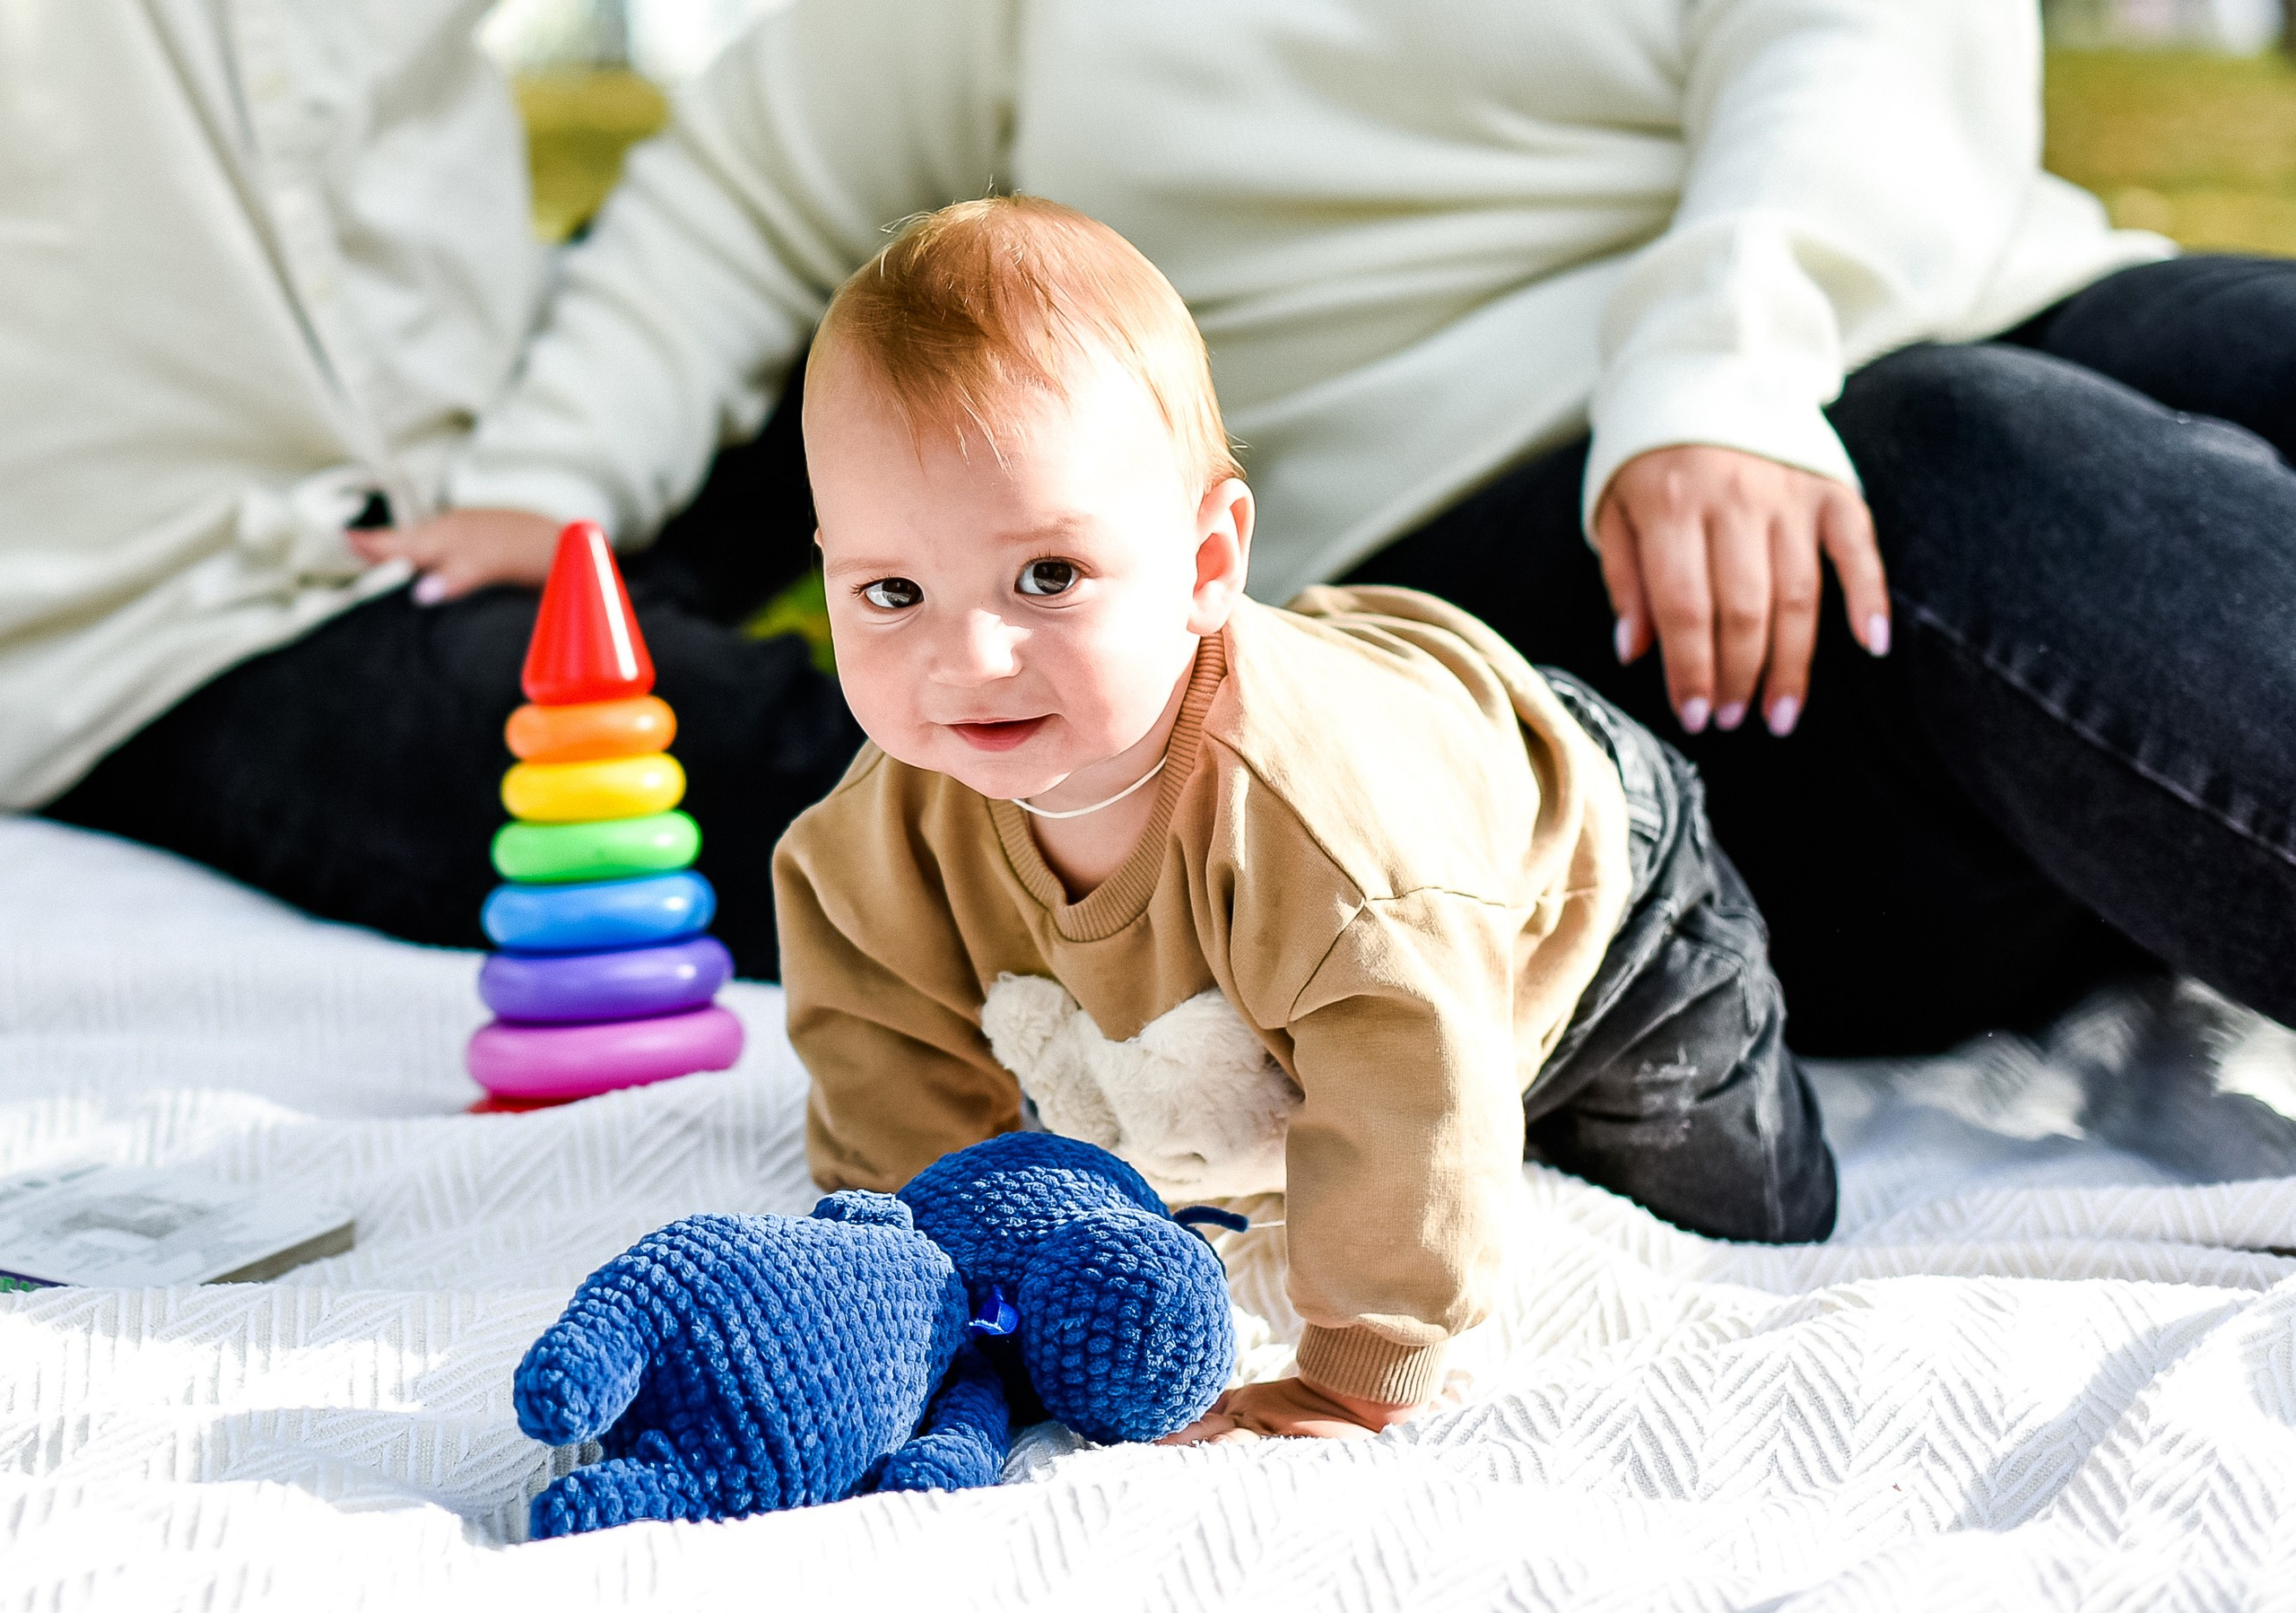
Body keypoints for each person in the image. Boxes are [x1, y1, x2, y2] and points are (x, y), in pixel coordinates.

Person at [368, 0, 2294, 1054]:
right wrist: (552, 491)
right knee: (1961, 459)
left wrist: (1713, 372)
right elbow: (740, 202)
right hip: (1543, 603)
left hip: (1815, 339)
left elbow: (1860, 52)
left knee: (2226, 340)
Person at [772, 196, 1836, 1443]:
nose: (970, 658)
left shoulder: (1318, 833)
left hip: (1593, 896)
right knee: (1355, 1077)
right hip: (1380, 928)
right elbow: (884, 1067)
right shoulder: (872, 844)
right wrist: (940, 1278)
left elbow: (1414, 1069)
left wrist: (1355, 1366)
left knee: (1742, 1203)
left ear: (1209, 560)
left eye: (1047, 576)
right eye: (892, 591)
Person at [4, 2, 855, 975]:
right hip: (182, 609)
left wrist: (551, 472)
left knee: (939, 324)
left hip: (492, 423)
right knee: (816, 790)